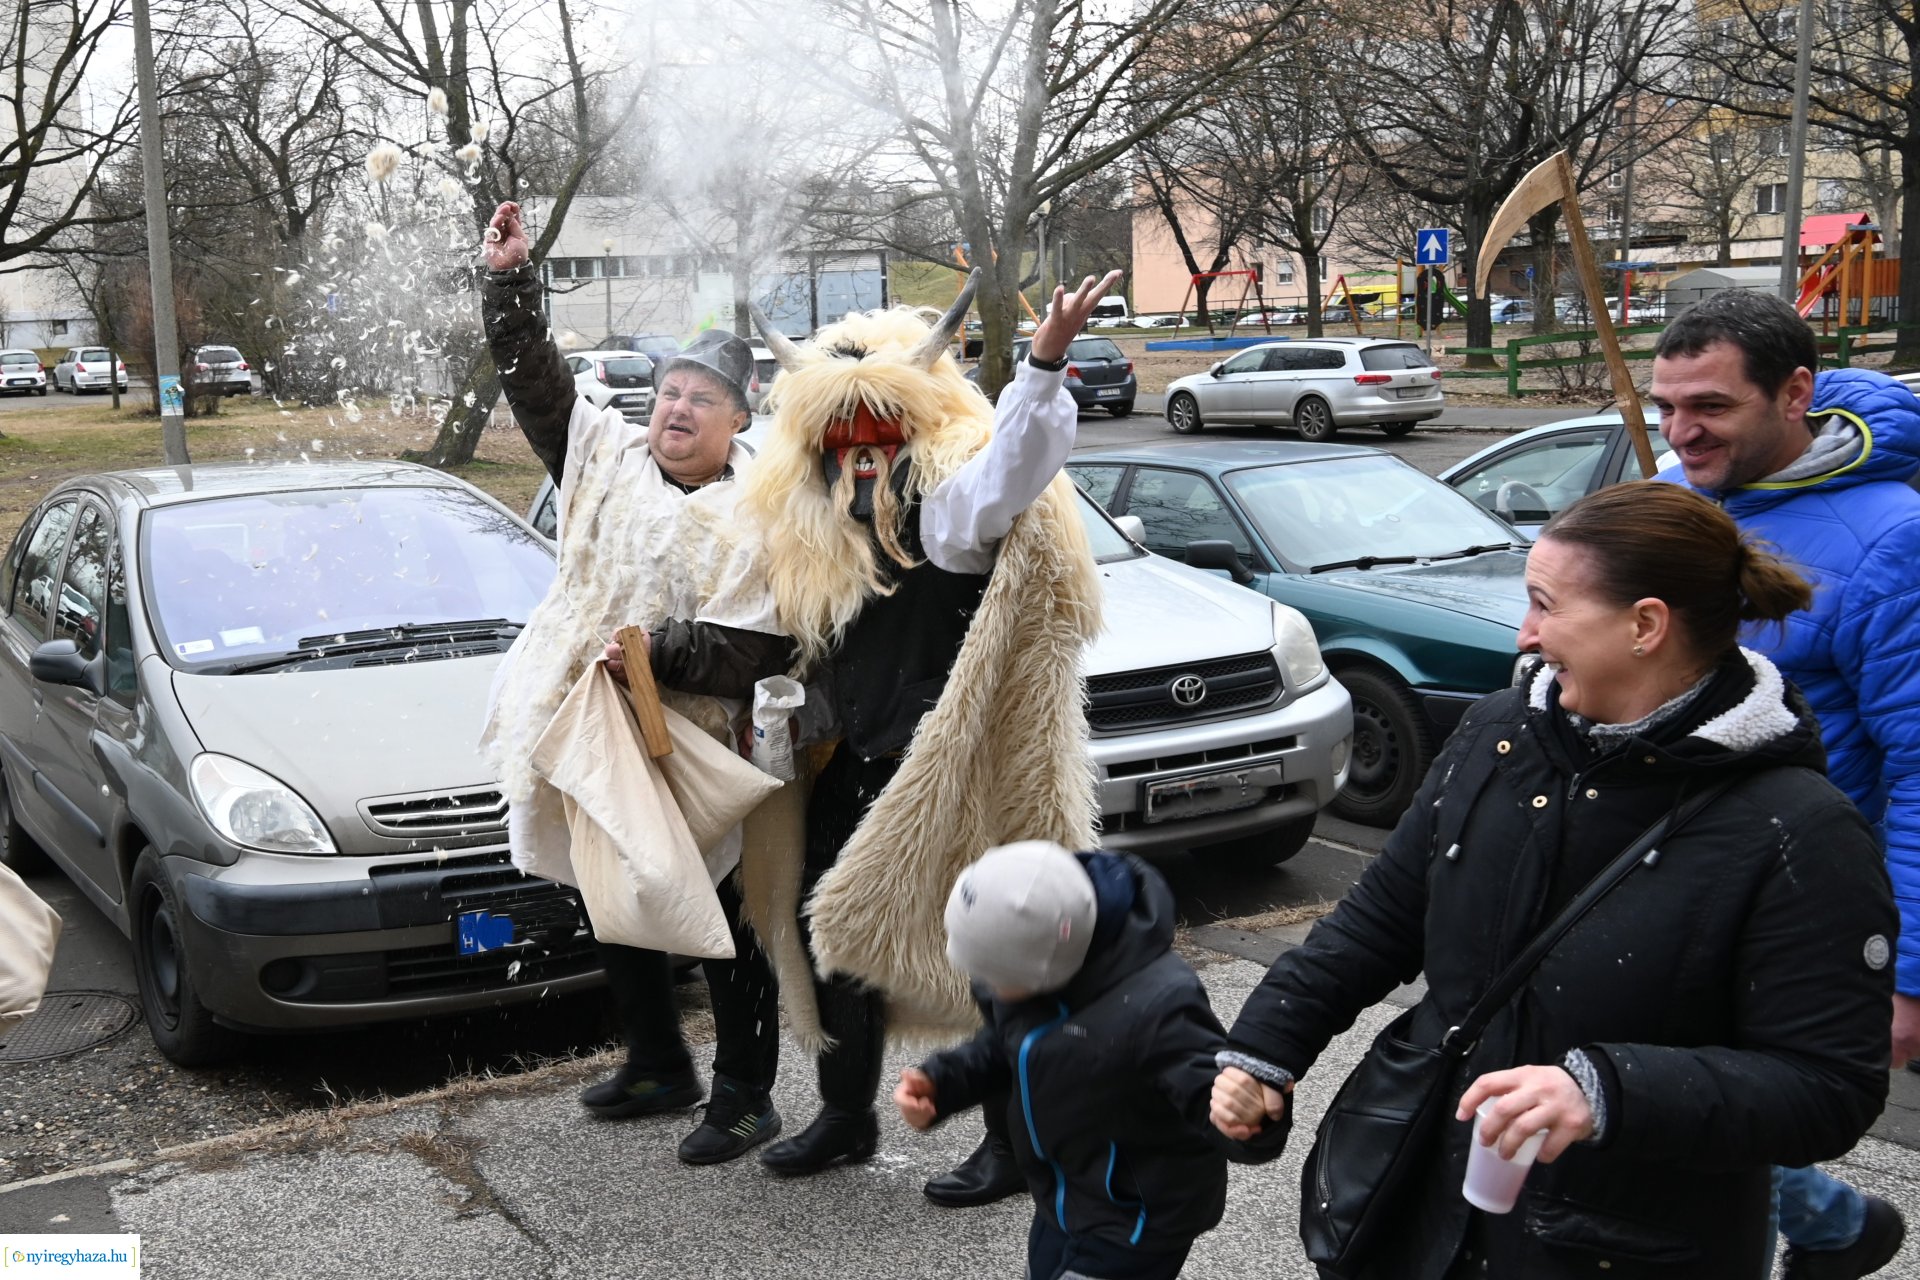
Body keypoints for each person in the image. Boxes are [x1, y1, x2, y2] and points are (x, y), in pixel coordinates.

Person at [1212, 481, 1896, 1279]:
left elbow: (1828, 1088)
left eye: (1545, 605)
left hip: (1629, 1243)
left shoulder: (1799, 830)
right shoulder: (1500, 732)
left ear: (1646, 625)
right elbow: (1382, 917)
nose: (1525, 632)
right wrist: (1264, 1048)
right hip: (1426, 1197)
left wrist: (1610, 1089)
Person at [738, 271, 1117, 1201]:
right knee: (831, 925)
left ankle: (1013, 1142)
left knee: (992, 948)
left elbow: (1014, 469)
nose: (860, 459)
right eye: (840, 439)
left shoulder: (948, 507)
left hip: (955, 764)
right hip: (853, 757)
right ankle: (844, 1114)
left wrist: (1045, 365)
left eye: (879, 435)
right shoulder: (805, 526)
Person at [476, 200, 792, 1165]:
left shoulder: (762, 508)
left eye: (703, 398)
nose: (678, 409)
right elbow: (537, 386)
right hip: (597, 717)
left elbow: (762, 648)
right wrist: (507, 285)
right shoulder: (604, 457)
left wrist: (663, 650)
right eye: (669, 393)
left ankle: (745, 1096)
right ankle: (659, 1061)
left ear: (738, 418)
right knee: (612, 886)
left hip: (705, 740)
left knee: (729, 919)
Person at [1651, 289, 1920, 1277]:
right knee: (1673, 1101)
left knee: (1710, 1120)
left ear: (1794, 392)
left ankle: (1816, 1229)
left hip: (1795, 906)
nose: (1681, 432)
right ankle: (1836, 1222)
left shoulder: (1893, 537)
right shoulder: (1680, 499)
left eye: (1709, 407)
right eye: (1667, 405)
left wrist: (1907, 973)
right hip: (1667, 873)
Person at [894, 841, 1283, 1280]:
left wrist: (1251, 1120)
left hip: (1138, 1218)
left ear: (1048, 969)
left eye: (995, 973)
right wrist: (943, 1084)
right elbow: (1007, 1045)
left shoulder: (1159, 1006)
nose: (984, 983)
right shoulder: (1030, 975)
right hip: (1064, 1194)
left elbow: (1212, 1099)